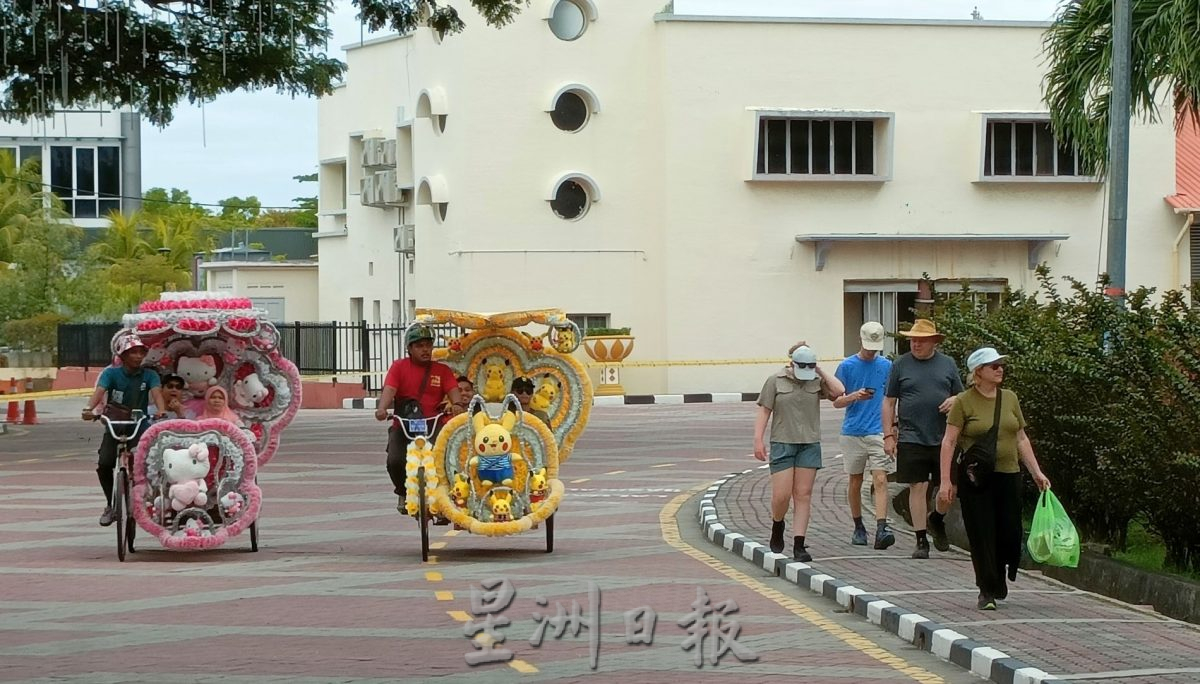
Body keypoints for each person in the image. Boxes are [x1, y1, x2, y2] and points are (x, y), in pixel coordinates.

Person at [938, 347, 1050, 610]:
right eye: (994, 365)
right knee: (982, 532)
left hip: (1009, 475)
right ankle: (986, 589)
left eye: (1001, 365)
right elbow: (949, 441)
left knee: (1010, 531)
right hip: (976, 478)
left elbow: (1021, 438)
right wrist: (946, 480)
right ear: (978, 372)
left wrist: (1037, 472)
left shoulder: (1010, 398)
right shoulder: (964, 402)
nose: (1000, 369)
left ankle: (1002, 572)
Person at [754, 344, 845, 561]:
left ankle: (799, 544)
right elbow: (764, 410)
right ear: (791, 364)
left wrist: (820, 371)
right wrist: (758, 439)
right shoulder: (775, 380)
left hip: (809, 443)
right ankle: (778, 523)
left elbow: (839, 391)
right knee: (782, 495)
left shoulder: (815, 380)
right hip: (782, 442)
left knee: (803, 494)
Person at [883, 319, 963, 559]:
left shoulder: (947, 364)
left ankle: (936, 519)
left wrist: (956, 400)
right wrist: (888, 434)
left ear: (934, 342)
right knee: (917, 487)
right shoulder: (900, 365)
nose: (915, 344)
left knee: (949, 490)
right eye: (912, 339)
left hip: (944, 437)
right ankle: (920, 540)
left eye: (921, 340)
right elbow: (889, 402)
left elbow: (963, 395)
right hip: (911, 435)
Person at [375, 325, 462, 512]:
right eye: (420, 345)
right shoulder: (399, 367)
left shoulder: (442, 370)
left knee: (445, 458)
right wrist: (382, 408)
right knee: (395, 461)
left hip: (433, 423)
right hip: (403, 423)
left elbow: (453, 390)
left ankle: (445, 498)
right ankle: (403, 492)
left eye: (428, 345)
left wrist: (457, 404)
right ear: (409, 348)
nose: (425, 350)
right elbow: (390, 389)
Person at [82, 336, 165, 527]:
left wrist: (161, 410)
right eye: (132, 353)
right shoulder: (110, 374)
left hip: (139, 423)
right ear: (122, 356)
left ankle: (145, 497)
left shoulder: (149, 375)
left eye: (140, 352)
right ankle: (110, 505)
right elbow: (99, 392)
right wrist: (88, 409)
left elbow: (157, 394)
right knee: (104, 462)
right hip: (116, 422)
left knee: (144, 460)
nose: (137, 356)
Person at [832, 322, 896, 550]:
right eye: (869, 347)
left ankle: (881, 527)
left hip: (878, 430)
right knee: (855, 480)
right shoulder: (847, 366)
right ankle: (858, 525)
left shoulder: (888, 366)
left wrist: (892, 430)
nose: (871, 352)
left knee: (880, 478)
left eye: (875, 348)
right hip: (852, 432)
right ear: (860, 340)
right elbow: (836, 401)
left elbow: (892, 399)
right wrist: (854, 396)